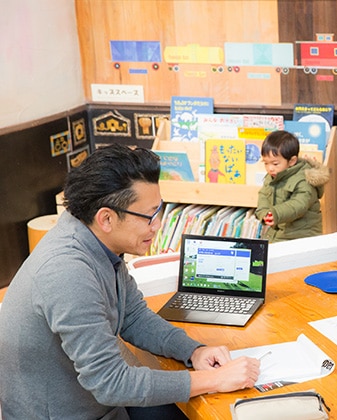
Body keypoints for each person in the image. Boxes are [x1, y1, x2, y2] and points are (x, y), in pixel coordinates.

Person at [0, 144, 261, 419]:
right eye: (150, 216)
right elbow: (111, 382)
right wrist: (215, 379)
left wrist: (194, 351)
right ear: (106, 218)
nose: (157, 225)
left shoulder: (94, 239)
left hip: (95, 405)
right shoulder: (67, 272)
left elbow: (133, 316)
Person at [255, 130, 330, 242]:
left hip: (302, 235)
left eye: (275, 164)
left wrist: (276, 213)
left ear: (292, 161)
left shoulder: (304, 179)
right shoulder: (273, 176)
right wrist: (264, 212)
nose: (270, 168)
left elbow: (299, 205)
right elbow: (264, 195)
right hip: (280, 231)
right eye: (266, 163)